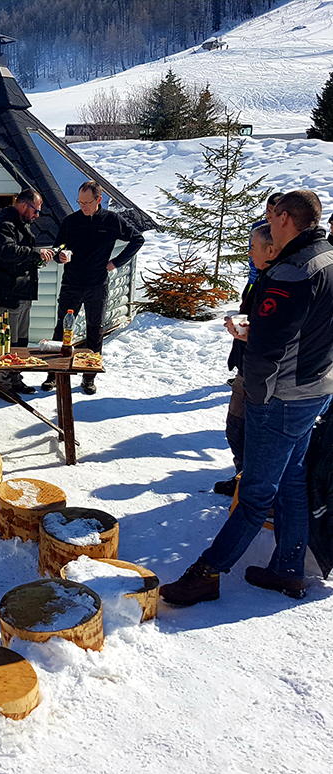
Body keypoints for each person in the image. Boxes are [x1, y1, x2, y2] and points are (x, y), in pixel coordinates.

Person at [160, 190, 333, 605]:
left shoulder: (292, 272)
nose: (268, 223)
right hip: (316, 388)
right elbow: (301, 327)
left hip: (281, 396)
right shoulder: (328, 257)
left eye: (273, 217)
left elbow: (269, 349)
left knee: (255, 494)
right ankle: (288, 570)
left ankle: (207, 573)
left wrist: (255, 388)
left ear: (286, 218)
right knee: (292, 479)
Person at [41, 180, 144, 395]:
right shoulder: (71, 221)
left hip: (97, 285)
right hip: (71, 283)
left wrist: (116, 262)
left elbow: (137, 239)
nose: (83, 206)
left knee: (95, 330)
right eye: (80, 202)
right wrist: (61, 255)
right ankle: (54, 374)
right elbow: (59, 246)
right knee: (62, 329)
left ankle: (89, 376)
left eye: (87, 203)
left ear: (99, 200)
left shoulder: (111, 220)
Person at [214, 225, 276, 499]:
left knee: (249, 431)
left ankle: (251, 488)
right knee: (236, 428)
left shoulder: (280, 282)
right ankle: (242, 477)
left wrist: (251, 333)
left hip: (264, 374)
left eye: (253, 248)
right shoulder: (260, 277)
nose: (249, 253)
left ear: (270, 250)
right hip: (246, 364)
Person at [0, 187, 54, 401]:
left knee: (20, 342)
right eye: (36, 210)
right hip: (7, 294)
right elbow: (7, 252)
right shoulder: (4, 224)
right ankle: (2, 385)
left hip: (22, 291)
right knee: (6, 342)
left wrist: (36, 260)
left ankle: (15, 379)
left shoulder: (20, 223)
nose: (37, 215)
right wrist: (36, 253)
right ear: (24, 205)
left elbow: (20, 255)